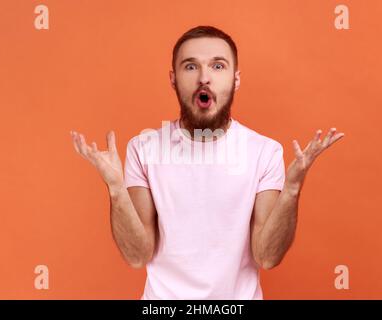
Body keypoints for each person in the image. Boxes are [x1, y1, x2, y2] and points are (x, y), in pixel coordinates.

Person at [70, 25, 344, 299]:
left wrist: (293, 188)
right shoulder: (143, 149)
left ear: (235, 79)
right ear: (173, 79)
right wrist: (116, 189)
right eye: (190, 67)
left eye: (218, 66)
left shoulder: (264, 151)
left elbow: (267, 257)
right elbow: (137, 256)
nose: (204, 78)